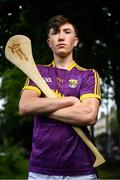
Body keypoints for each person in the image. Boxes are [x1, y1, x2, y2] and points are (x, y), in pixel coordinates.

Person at [19, 15, 101, 180]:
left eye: (67, 32)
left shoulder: (88, 75)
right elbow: (25, 106)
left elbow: (88, 115)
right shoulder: (38, 72)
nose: (61, 37)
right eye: (55, 33)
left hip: (81, 170)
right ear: (49, 42)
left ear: (75, 41)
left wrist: (41, 107)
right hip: (40, 170)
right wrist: (70, 101)